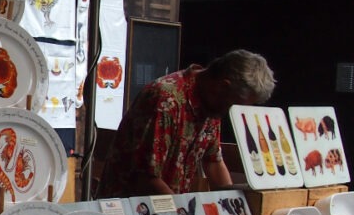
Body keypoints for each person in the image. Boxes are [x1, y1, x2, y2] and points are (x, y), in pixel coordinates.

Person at [96, 49, 276, 197]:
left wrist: (230, 205)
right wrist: (183, 214)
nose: (230, 110)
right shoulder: (166, 100)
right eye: (232, 102)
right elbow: (146, 177)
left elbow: (213, 160)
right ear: (222, 86)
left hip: (167, 206)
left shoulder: (212, 105)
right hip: (129, 209)